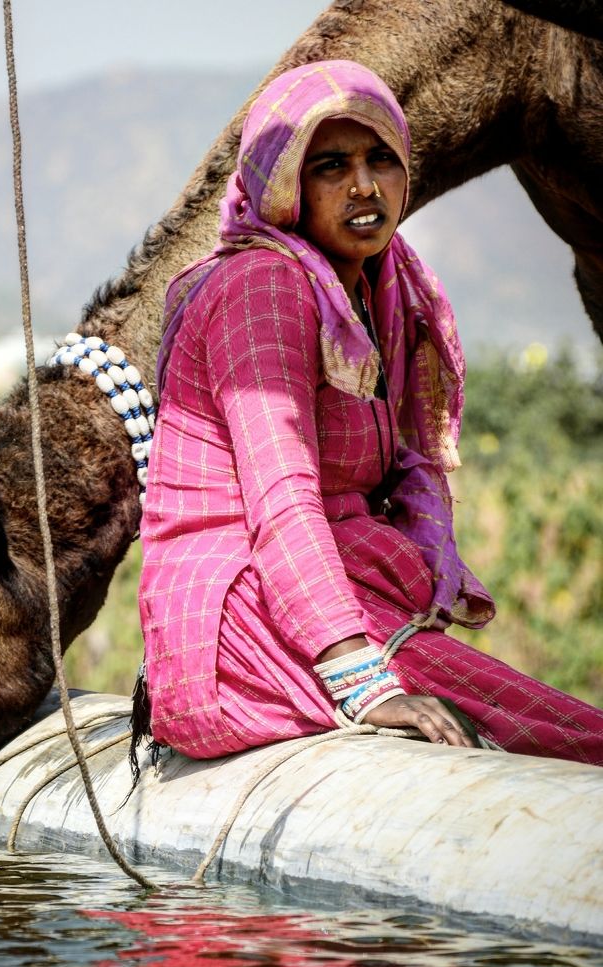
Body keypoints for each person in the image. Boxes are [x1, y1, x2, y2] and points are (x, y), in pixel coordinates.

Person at [136, 60, 603, 765]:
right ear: (284, 184)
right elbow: (283, 496)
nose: (364, 184)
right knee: (565, 738)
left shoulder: (373, 286)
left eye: (381, 158)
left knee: (558, 724)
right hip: (242, 619)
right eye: (330, 165)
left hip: (319, 606)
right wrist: (364, 680)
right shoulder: (264, 286)